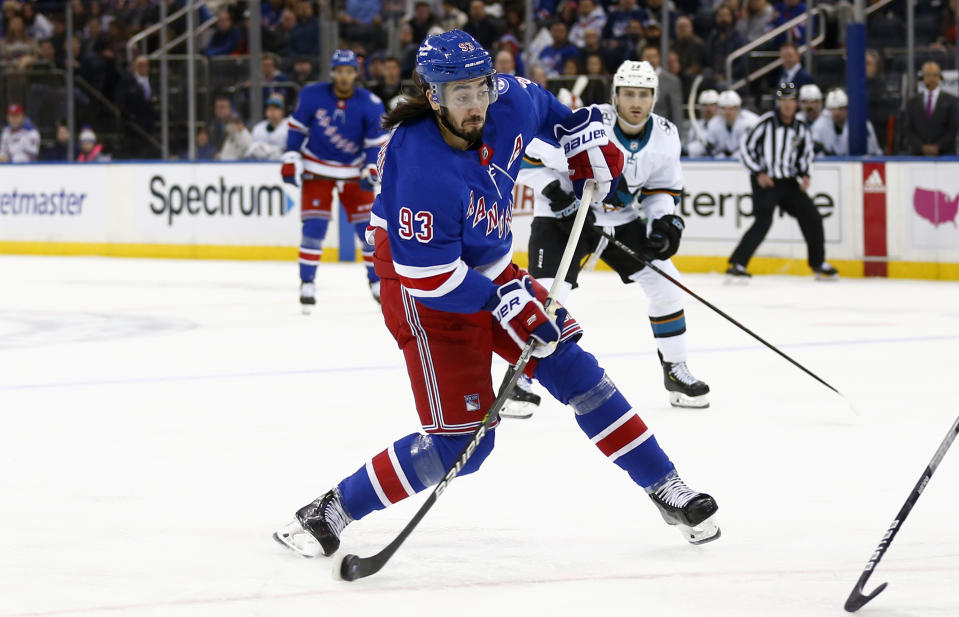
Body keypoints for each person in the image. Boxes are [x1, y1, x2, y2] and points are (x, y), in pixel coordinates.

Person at [273, 31, 720, 562]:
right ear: (433, 95)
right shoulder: (419, 164)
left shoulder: (504, 98)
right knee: (462, 446)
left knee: (575, 368)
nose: (476, 104)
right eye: (460, 94)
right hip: (424, 292)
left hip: (489, 270)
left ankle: (667, 486)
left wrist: (582, 135)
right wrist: (503, 304)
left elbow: (550, 108)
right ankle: (332, 509)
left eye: (481, 88)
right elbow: (429, 275)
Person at [509, 59, 711, 418]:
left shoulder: (665, 134)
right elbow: (529, 155)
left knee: (666, 283)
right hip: (566, 214)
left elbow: (661, 189)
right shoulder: (589, 121)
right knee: (548, 298)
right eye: (629, 94)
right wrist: (556, 191)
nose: (636, 102)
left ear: (654, 97)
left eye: (644, 95)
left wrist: (664, 221)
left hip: (622, 219)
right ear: (615, 96)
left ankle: (676, 371)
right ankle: (519, 379)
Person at [281, 49, 387, 309]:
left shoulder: (371, 103)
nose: (343, 76)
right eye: (339, 71)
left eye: (348, 71)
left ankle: (376, 282)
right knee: (314, 229)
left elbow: (375, 142)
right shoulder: (312, 95)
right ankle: (307, 282)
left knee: (368, 232)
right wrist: (292, 156)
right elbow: (297, 127)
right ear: (333, 72)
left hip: (352, 171)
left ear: (355, 73)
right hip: (316, 167)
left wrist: (371, 166)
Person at [728, 82, 838, 281]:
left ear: (797, 103)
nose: (787, 104)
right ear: (778, 102)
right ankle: (738, 264)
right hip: (766, 181)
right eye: (783, 100)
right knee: (763, 220)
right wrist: (758, 173)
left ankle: (818, 263)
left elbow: (806, 154)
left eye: (791, 100)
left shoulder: (801, 128)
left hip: (788, 182)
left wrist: (806, 175)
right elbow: (745, 150)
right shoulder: (766, 123)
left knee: (812, 217)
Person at [901, 61, 958, 156]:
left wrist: (938, 146)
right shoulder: (912, 102)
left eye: (934, 75)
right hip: (918, 154)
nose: (931, 78)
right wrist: (921, 147)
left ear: (939, 77)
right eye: (928, 75)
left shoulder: (952, 101)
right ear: (923, 77)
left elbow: (953, 128)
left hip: (945, 154)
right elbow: (908, 128)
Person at [811, 88, 882, 157]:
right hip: (830, 165)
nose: (836, 113)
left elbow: (873, 153)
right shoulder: (820, 124)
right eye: (832, 109)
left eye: (841, 109)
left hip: (856, 163)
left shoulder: (861, 124)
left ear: (848, 108)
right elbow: (814, 151)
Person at [702, 89, 759, 160]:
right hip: (722, 162)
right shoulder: (714, 123)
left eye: (731, 108)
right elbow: (710, 147)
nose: (727, 112)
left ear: (738, 108)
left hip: (747, 159)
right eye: (724, 108)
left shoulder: (751, 121)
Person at [246, 94, 289, 160]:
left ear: (283, 110)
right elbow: (251, 151)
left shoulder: (289, 127)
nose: (272, 111)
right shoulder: (258, 128)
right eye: (270, 108)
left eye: (276, 108)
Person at [685, 88, 719, 157]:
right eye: (705, 105)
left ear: (717, 106)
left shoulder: (723, 124)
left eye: (711, 105)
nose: (708, 109)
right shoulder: (697, 125)